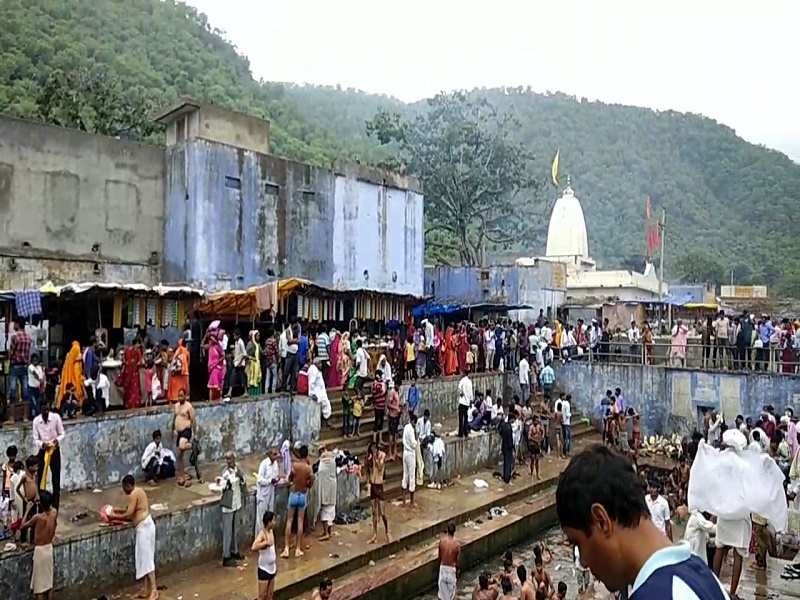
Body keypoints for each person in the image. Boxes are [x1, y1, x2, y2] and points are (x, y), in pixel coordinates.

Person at [556, 444, 728, 599]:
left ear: (602, 521)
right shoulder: (705, 577)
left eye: (578, 543)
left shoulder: (657, 595)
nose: (584, 561)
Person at [112, 475, 158, 600]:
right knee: (141, 558)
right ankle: (144, 589)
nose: (124, 491)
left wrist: (113, 516)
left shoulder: (134, 494)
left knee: (147, 558)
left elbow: (129, 514)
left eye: (124, 488)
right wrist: (117, 511)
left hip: (145, 527)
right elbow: (131, 510)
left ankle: (154, 589)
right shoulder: (139, 491)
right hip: (143, 527)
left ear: (128, 486)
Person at [21, 489, 57, 600]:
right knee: (48, 584)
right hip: (49, 548)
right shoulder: (54, 513)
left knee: (39, 589)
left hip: (40, 551)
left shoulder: (38, 518)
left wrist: (27, 510)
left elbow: (22, 526)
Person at [282, 445, 314, 558]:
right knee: (300, 521)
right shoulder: (308, 468)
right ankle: (298, 549)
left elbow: (289, 478)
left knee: (289, 520)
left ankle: (286, 549)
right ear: (307, 455)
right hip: (303, 495)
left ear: (299, 454)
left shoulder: (295, 466)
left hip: (294, 493)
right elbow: (310, 483)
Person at [32, 402, 64, 510]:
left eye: (47, 410)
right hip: (43, 451)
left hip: (54, 450)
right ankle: (42, 505)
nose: (45, 413)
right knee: (40, 478)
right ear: (40, 411)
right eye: (43, 411)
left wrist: (56, 441)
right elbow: (35, 439)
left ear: (49, 409)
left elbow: (62, 434)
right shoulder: (36, 421)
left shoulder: (56, 418)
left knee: (56, 478)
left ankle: (55, 506)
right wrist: (42, 444)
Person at [220, 452, 247, 566]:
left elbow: (244, 481)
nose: (229, 461)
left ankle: (234, 551)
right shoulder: (224, 473)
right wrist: (226, 483)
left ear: (234, 459)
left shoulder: (238, 469)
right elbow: (221, 486)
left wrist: (240, 476)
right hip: (228, 504)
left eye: (230, 459)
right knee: (227, 531)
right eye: (227, 459)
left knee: (235, 529)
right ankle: (226, 556)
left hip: (237, 503)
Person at [366, 441, 389, 544]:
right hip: (373, 485)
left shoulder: (382, 456)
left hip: (379, 485)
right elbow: (368, 470)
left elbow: (380, 467)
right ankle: (374, 534)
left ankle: (387, 531)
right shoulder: (370, 457)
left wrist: (375, 458)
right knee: (374, 513)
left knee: (383, 513)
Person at [172, 389, 196, 487]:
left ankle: (193, 446)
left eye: (182, 396)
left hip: (186, 431)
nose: (180, 397)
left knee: (182, 446)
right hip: (179, 432)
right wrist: (172, 430)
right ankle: (182, 476)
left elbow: (193, 420)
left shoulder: (189, 406)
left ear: (185, 396)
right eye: (179, 396)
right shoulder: (176, 406)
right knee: (179, 455)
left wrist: (195, 434)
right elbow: (174, 418)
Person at [251, 510, 277, 600]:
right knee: (262, 596)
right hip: (264, 569)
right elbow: (254, 547)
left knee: (270, 595)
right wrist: (265, 543)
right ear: (269, 522)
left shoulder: (271, 531)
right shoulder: (262, 534)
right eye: (273, 520)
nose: (275, 522)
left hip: (272, 568)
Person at [8, 317, 31, 412]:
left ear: (17, 324)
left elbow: (11, 352)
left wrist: (8, 358)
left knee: (13, 392)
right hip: (24, 366)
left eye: (14, 323)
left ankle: (12, 417)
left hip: (15, 366)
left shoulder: (15, 337)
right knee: (25, 392)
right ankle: (25, 417)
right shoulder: (28, 337)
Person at [256, 449, 280, 537]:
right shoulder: (264, 464)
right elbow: (259, 480)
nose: (276, 456)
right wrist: (270, 481)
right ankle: (259, 538)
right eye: (274, 454)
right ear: (269, 455)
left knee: (270, 517)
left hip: (271, 493)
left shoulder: (275, 464)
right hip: (263, 495)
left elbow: (276, 475)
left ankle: (269, 537)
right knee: (261, 518)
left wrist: (276, 480)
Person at [316, 446, 337, 541]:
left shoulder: (323, 461)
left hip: (325, 487)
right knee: (331, 510)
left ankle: (326, 533)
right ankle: (329, 531)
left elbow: (320, 471)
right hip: (332, 487)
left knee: (324, 511)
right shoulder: (333, 459)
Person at [438, 522, 460, 600]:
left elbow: (439, 557)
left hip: (443, 568)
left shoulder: (442, 542)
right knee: (452, 597)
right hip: (451, 569)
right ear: (454, 531)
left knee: (441, 595)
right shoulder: (457, 545)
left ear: (447, 530)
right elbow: (457, 561)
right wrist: (457, 571)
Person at [119, 338, 142, 409]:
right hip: (134, 371)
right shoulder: (137, 350)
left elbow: (124, 360)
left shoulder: (126, 350)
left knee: (128, 389)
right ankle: (134, 404)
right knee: (134, 389)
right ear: (137, 343)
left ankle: (127, 404)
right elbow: (140, 361)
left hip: (127, 372)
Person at [402, 413, 419, 507]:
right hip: (410, 453)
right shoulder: (411, 430)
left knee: (405, 475)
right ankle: (412, 501)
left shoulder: (405, 427)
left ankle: (404, 499)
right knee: (412, 476)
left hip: (405, 452)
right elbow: (413, 444)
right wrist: (416, 438)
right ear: (413, 422)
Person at [386, 380, 402, 461]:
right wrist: (396, 408)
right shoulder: (391, 392)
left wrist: (400, 406)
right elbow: (388, 404)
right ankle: (390, 453)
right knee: (391, 436)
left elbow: (396, 403)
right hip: (392, 416)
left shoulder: (397, 392)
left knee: (395, 435)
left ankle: (395, 451)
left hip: (396, 416)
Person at [27, 353, 45, 419]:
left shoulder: (39, 367)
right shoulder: (30, 367)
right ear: (32, 361)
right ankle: (33, 416)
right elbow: (35, 373)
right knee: (33, 403)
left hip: (37, 388)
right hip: (31, 388)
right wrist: (39, 379)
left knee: (38, 403)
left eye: (36, 360)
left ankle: (37, 416)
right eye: (34, 361)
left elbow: (42, 376)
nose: (35, 362)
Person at [499, 413, 514, 484]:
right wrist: (513, 447)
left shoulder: (504, 426)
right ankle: (507, 478)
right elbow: (510, 439)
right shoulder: (509, 427)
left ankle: (505, 476)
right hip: (509, 447)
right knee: (508, 462)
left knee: (505, 462)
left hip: (504, 446)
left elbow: (500, 433)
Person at [246, 330, 263, 397]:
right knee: (252, 379)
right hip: (252, 365)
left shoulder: (258, 345)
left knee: (258, 379)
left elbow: (261, 353)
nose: (259, 337)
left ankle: (258, 394)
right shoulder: (250, 344)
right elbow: (245, 354)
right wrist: (252, 358)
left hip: (257, 364)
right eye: (258, 336)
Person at [457, 372, 474, 438]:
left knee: (461, 418)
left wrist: (461, 393)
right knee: (466, 418)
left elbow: (459, 388)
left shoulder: (463, 380)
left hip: (462, 402)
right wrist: (471, 401)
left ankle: (461, 433)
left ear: (464, 374)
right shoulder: (470, 382)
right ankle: (465, 432)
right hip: (467, 403)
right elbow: (471, 392)